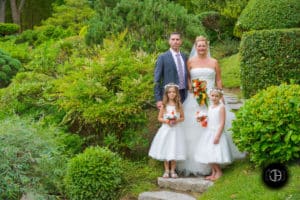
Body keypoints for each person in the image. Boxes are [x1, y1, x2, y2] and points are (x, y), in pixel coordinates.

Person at [176, 35, 244, 176]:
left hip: (212, 98)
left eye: (204, 45)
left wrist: (221, 95)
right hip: (195, 97)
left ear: (207, 46)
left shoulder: (214, 62)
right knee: (195, 127)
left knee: (214, 125)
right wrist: (191, 87)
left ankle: (216, 160)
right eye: (199, 45)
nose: (201, 48)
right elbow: (188, 77)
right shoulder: (190, 61)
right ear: (196, 46)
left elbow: (218, 79)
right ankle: (197, 162)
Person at [194, 88, 233, 181]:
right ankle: (213, 172)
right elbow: (210, 119)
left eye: (217, 96)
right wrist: (203, 119)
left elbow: (222, 123)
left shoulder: (221, 107)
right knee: (208, 153)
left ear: (220, 97)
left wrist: (218, 135)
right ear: (209, 96)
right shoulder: (210, 107)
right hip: (209, 132)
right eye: (212, 96)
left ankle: (219, 171)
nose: (214, 98)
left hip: (217, 132)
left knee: (214, 153)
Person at [149, 83, 186, 178]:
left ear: (176, 93)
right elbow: (159, 118)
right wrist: (166, 121)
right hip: (166, 130)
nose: (172, 94)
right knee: (166, 149)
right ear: (167, 94)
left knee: (174, 149)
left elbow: (182, 118)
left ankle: (173, 170)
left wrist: (176, 120)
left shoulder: (179, 105)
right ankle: (166, 170)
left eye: (174, 92)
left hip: (176, 131)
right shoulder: (164, 105)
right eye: (170, 92)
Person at [154, 32, 188, 109]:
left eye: (177, 39)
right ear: (169, 41)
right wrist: (158, 99)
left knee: (184, 118)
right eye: (173, 39)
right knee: (171, 119)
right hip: (169, 95)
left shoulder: (184, 56)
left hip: (184, 94)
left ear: (181, 41)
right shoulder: (162, 57)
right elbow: (157, 80)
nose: (175, 41)